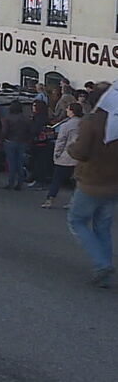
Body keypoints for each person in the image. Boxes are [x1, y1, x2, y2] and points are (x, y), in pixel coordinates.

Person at [66, 84, 118, 288]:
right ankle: (104, 272)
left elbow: (81, 152)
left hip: (92, 182)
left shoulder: (93, 122)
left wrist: (71, 148)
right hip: (113, 183)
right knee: (103, 227)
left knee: (76, 220)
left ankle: (102, 263)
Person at [43, 102, 83, 208]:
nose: (66, 111)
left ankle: (50, 200)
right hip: (79, 156)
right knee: (76, 182)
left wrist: (56, 154)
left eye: (68, 109)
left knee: (57, 179)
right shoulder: (84, 124)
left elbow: (61, 141)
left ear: (72, 111)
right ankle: (74, 202)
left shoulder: (66, 125)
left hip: (65, 155)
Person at [1, 101, 32, 190]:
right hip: (22, 142)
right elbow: (29, 131)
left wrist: (1, 140)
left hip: (10, 141)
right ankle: (20, 183)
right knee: (20, 163)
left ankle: (11, 182)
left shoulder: (8, 118)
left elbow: (4, 131)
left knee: (11, 163)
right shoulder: (26, 119)